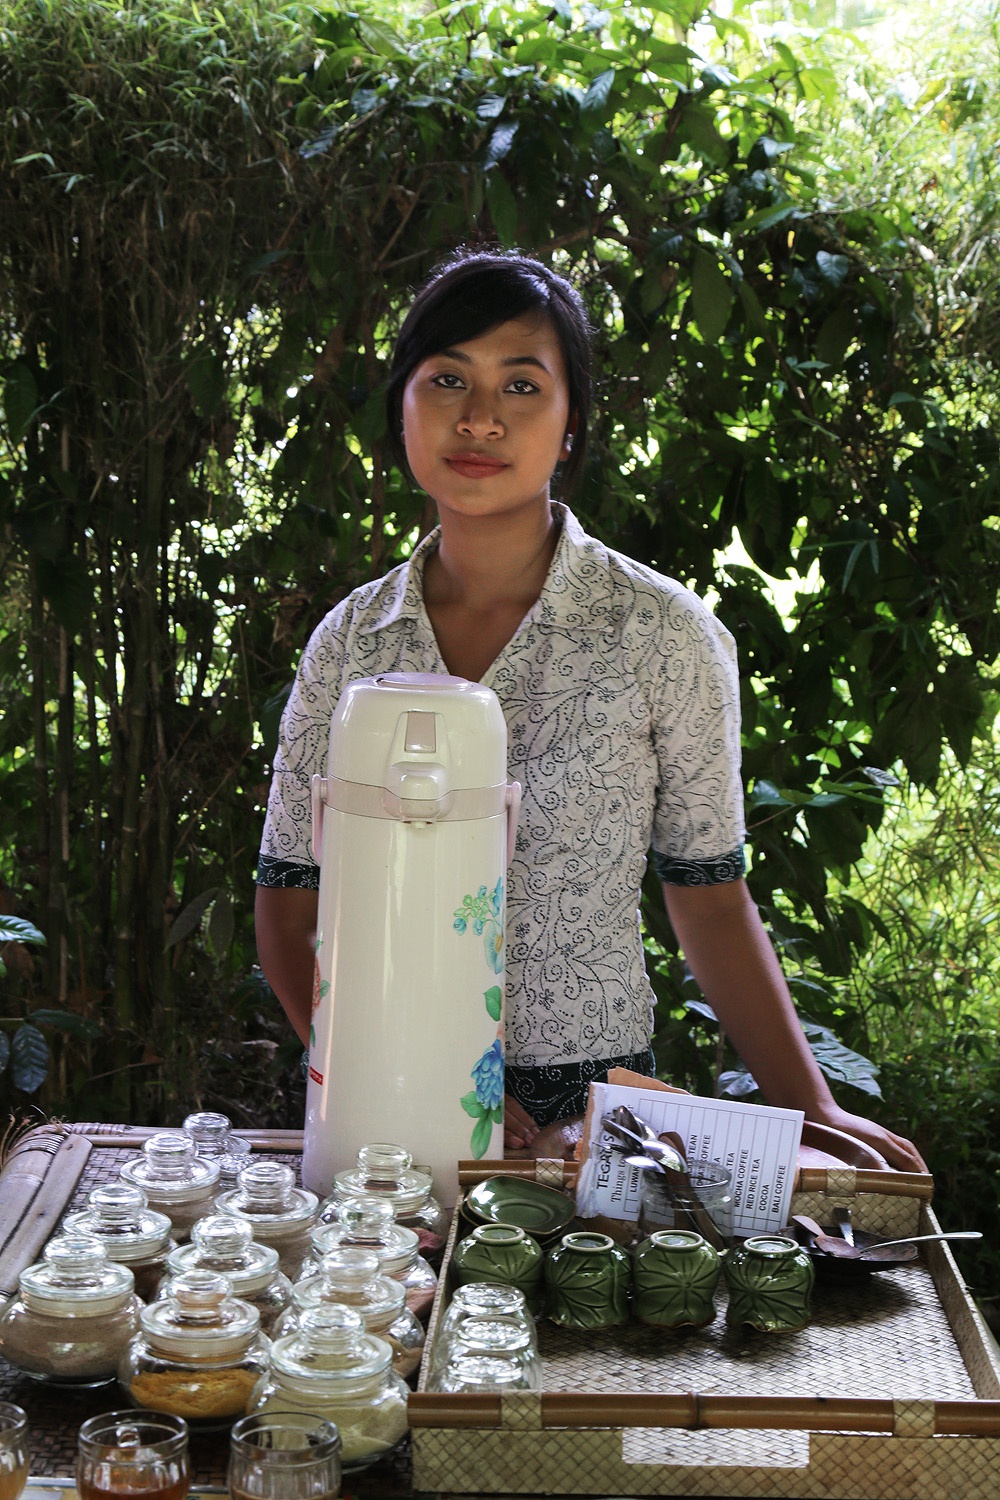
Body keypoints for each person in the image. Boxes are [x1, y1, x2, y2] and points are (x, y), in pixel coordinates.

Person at [254, 248, 927, 1174]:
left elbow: (710, 896)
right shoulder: (350, 643)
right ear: (402, 406)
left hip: (592, 1129)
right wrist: (376, 1069)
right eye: (447, 378)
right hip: (378, 1115)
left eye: (522, 386)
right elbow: (289, 903)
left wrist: (808, 1106)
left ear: (571, 426)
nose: (481, 417)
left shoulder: (665, 634)